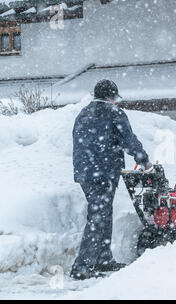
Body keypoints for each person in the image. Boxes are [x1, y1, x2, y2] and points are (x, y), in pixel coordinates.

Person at [70, 79, 152, 280]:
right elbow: (128, 140)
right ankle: (82, 266)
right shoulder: (113, 113)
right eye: (115, 98)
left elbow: (80, 141)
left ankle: (103, 259)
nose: (116, 101)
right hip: (103, 172)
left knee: (102, 212)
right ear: (111, 97)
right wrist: (144, 161)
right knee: (98, 217)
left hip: (86, 173)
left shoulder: (83, 113)